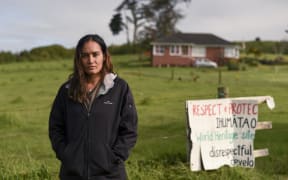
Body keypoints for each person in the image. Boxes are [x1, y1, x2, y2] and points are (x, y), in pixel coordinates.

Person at [49, 34, 138, 180]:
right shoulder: (66, 90)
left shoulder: (119, 88)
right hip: (73, 174)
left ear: (104, 56)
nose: (91, 60)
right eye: (85, 55)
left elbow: (130, 128)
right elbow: (55, 127)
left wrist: (114, 157)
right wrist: (67, 154)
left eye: (95, 54)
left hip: (110, 174)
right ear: (79, 59)